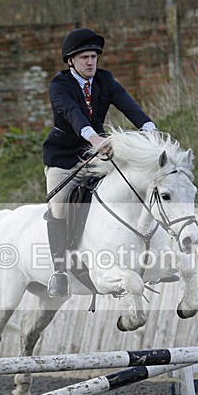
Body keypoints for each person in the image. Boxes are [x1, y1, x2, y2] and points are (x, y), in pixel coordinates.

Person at [42, 27, 158, 298]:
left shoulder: (105, 80)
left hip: (97, 152)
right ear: (71, 61)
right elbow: (73, 115)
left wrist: (149, 128)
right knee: (58, 207)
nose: (91, 62)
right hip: (64, 158)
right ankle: (59, 271)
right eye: (84, 57)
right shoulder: (59, 85)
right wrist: (94, 139)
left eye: (94, 56)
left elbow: (128, 105)